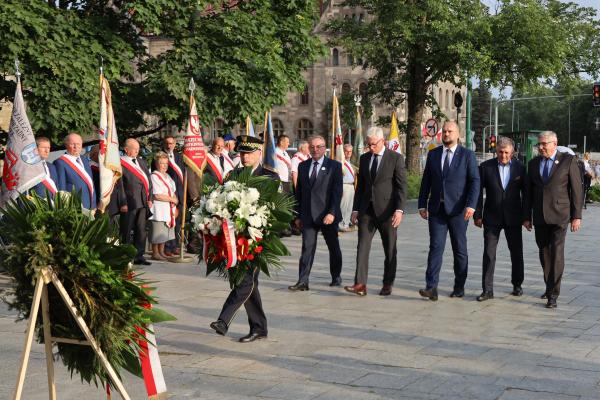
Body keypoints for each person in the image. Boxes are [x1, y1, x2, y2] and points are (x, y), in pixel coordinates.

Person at [210, 135, 278, 343]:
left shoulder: (269, 177)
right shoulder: (233, 175)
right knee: (249, 283)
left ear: (259, 153)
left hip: (256, 239)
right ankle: (259, 327)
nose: (245, 157)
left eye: (249, 153)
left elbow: (274, 209)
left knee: (246, 279)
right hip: (232, 238)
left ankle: (223, 320)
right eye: (242, 153)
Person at [417, 121, 480, 301]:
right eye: (444, 131)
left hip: (459, 211)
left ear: (457, 134)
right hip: (437, 210)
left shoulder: (467, 155)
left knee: (459, 249)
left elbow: (475, 181)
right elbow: (426, 180)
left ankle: (459, 286)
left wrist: (471, 205)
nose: (446, 134)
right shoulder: (434, 154)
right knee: (435, 247)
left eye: (450, 131)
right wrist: (422, 204)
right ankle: (431, 287)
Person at [344, 127, 407, 297]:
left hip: (388, 211)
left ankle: (388, 283)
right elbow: (361, 187)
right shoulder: (364, 159)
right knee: (362, 246)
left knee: (390, 248)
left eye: (373, 144)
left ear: (382, 142)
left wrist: (399, 210)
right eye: (368, 144)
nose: (370, 147)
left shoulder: (395, 158)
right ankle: (360, 284)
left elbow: (401, 187)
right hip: (367, 211)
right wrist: (356, 209)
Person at [523, 131, 583, 308]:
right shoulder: (533, 164)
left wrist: (576, 216)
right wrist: (527, 216)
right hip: (540, 216)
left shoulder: (567, 160)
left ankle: (553, 294)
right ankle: (549, 285)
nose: (540, 147)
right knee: (544, 253)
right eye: (539, 145)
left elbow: (576, 191)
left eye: (544, 144)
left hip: (560, 215)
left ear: (554, 143)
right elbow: (528, 193)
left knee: (556, 253)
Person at [473, 137, 527, 301]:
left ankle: (517, 285)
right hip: (491, 217)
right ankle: (487, 290)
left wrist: (526, 217)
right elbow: (477, 192)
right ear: (496, 151)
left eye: (506, 153)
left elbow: (526, 195)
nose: (503, 155)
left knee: (516, 253)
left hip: (514, 217)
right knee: (489, 254)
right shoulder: (485, 167)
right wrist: (477, 214)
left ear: (512, 153)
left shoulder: (520, 168)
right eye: (500, 152)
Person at [289, 135, 343, 291]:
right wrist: (297, 215)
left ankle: (336, 276)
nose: (315, 150)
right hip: (308, 215)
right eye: (312, 147)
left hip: (327, 215)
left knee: (333, 247)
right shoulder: (303, 166)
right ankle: (303, 281)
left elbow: (337, 192)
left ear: (324, 147)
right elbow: (298, 192)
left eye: (319, 146)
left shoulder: (334, 166)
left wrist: (332, 212)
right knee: (307, 247)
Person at [120, 138, 153, 266]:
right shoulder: (120, 163)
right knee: (127, 229)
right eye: (134, 149)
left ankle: (139, 255)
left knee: (141, 230)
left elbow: (148, 181)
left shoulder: (142, 162)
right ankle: (126, 256)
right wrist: (122, 201)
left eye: (138, 149)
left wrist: (150, 198)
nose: (137, 151)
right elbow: (120, 185)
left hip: (143, 201)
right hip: (129, 202)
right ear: (127, 149)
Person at [54, 133, 97, 211]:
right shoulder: (60, 162)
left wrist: (93, 205)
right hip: (74, 208)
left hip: (90, 207)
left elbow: (90, 183)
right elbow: (61, 190)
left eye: (78, 144)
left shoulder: (85, 160)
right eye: (72, 144)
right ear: (66, 145)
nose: (76, 147)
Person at [149, 152, 178, 261]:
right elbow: (157, 195)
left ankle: (161, 251)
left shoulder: (168, 176)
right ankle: (155, 252)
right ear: (157, 164)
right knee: (157, 231)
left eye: (166, 163)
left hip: (168, 208)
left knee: (165, 232)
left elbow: (172, 191)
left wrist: (175, 200)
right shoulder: (154, 176)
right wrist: (172, 199)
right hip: (159, 208)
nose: (164, 165)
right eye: (162, 163)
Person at [88, 145, 127, 227]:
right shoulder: (90, 168)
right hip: (99, 203)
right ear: (93, 155)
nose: (104, 156)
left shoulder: (108, 169)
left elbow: (120, 185)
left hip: (113, 205)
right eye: (102, 154)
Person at [162, 135, 184, 256]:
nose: (169, 145)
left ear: (175, 144)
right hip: (168, 193)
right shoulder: (160, 156)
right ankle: (167, 246)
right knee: (168, 221)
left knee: (177, 222)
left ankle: (175, 245)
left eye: (171, 143)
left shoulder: (179, 157)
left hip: (179, 194)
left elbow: (183, 174)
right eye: (167, 143)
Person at [339, 144, 357, 232]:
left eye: (350, 151)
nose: (348, 153)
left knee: (349, 206)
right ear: (343, 152)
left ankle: (346, 223)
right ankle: (341, 224)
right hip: (344, 185)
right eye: (346, 151)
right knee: (344, 206)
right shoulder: (341, 162)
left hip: (351, 186)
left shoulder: (349, 163)